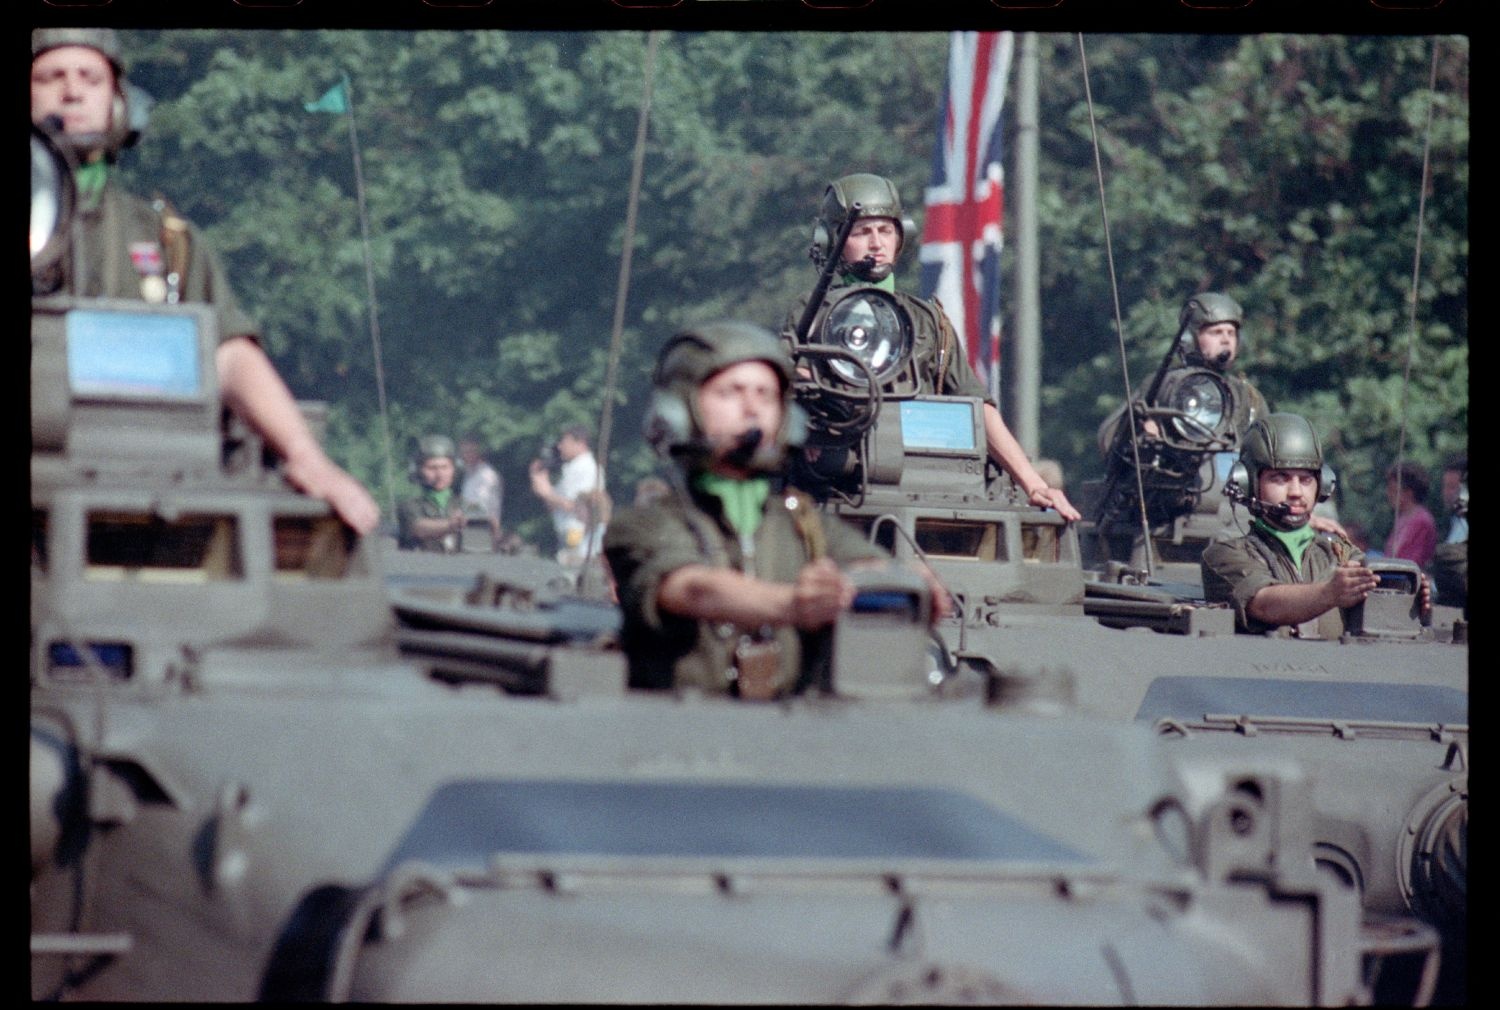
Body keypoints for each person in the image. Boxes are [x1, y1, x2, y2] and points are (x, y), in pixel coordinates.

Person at [30, 28, 378, 536]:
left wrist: (306, 456)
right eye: (50, 77)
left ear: (119, 105)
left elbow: (228, 354)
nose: (72, 92)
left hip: (149, 495)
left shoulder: (167, 240)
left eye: (91, 78)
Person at [604, 321, 948, 699]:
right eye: (731, 392)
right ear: (680, 409)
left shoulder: (803, 523)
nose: (752, 408)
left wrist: (907, 584)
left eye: (766, 395)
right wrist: (793, 605)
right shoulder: (646, 522)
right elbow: (694, 589)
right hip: (678, 730)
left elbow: (866, 565)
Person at [781, 173, 1079, 522]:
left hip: (927, 483)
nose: (876, 243)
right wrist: (805, 420)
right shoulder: (812, 313)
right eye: (862, 232)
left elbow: (978, 406)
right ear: (833, 239)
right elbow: (781, 383)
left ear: (900, 237)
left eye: (886, 231)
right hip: (835, 488)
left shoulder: (927, 320)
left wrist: (1032, 483)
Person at [1202, 413, 1429, 637]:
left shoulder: (1337, 552)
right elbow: (1263, 603)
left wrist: (1408, 594)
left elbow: (1376, 582)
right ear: (1248, 483)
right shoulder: (1224, 555)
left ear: (1322, 485)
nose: (1296, 492)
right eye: (1280, 478)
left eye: (1306, 480)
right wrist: (1330, 592)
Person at [529, 424, 605, 567]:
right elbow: (554, 504)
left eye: (565, 442)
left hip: (578, 535)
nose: (560, 446)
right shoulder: (571, 468)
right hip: (566, 533)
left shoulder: (587, 469)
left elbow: (578, 506)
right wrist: (541, 482)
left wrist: (546, 491)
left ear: (580, 443)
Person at [397, 435, 465, 552]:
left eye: (445, 467)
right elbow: (418, 528)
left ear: (454, 469)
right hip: (422, 567)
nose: (439, 474)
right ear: (418, 471)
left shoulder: (465, 505)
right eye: (432, 468)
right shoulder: (409, 506)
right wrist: (450, 525)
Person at [1384, 460, 1437, 568]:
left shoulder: (1421, 521)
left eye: (1393, 489)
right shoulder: (1403, 518)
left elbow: (1411, 561)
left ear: (1408, 492)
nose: (1388, 494)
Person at [457, 435, 504, 549]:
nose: (465, 455)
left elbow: (483, 506)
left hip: (483, 528)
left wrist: (458, 508)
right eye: (463, 452)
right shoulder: (469, 474)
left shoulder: (486, 475)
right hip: (469, 526)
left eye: (469, 451)